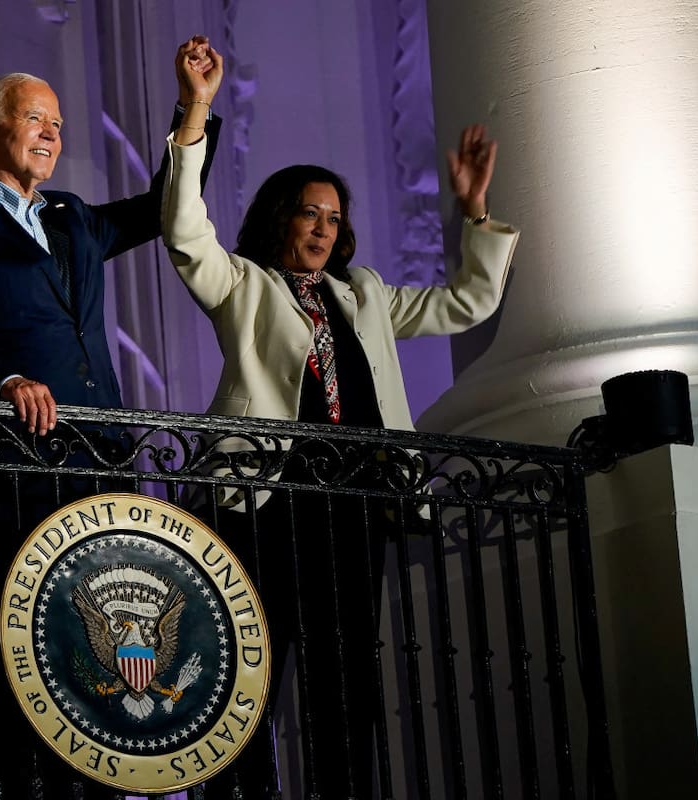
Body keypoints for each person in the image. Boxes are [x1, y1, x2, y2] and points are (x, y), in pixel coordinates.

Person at [162, 43, 520, 798]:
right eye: (308, 213)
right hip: (265, 504)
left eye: (334, 217)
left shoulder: (365, 295)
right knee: (250, 682)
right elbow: (186, 233)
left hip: (355, 510)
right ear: (279, 219)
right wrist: (196, 110)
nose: (324, 228)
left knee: (346, 683)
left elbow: (469, 302)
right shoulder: (245, 286)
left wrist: (475, 211)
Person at [0, 39, 224, 800]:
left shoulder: (75, 217)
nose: (52, 132)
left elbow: (162, 207)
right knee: (16, 654)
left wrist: (197, 108)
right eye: (35, 119)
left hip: (98, 460)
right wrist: (5, 377)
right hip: (8, 468)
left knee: (95, 654)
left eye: (59, 123)